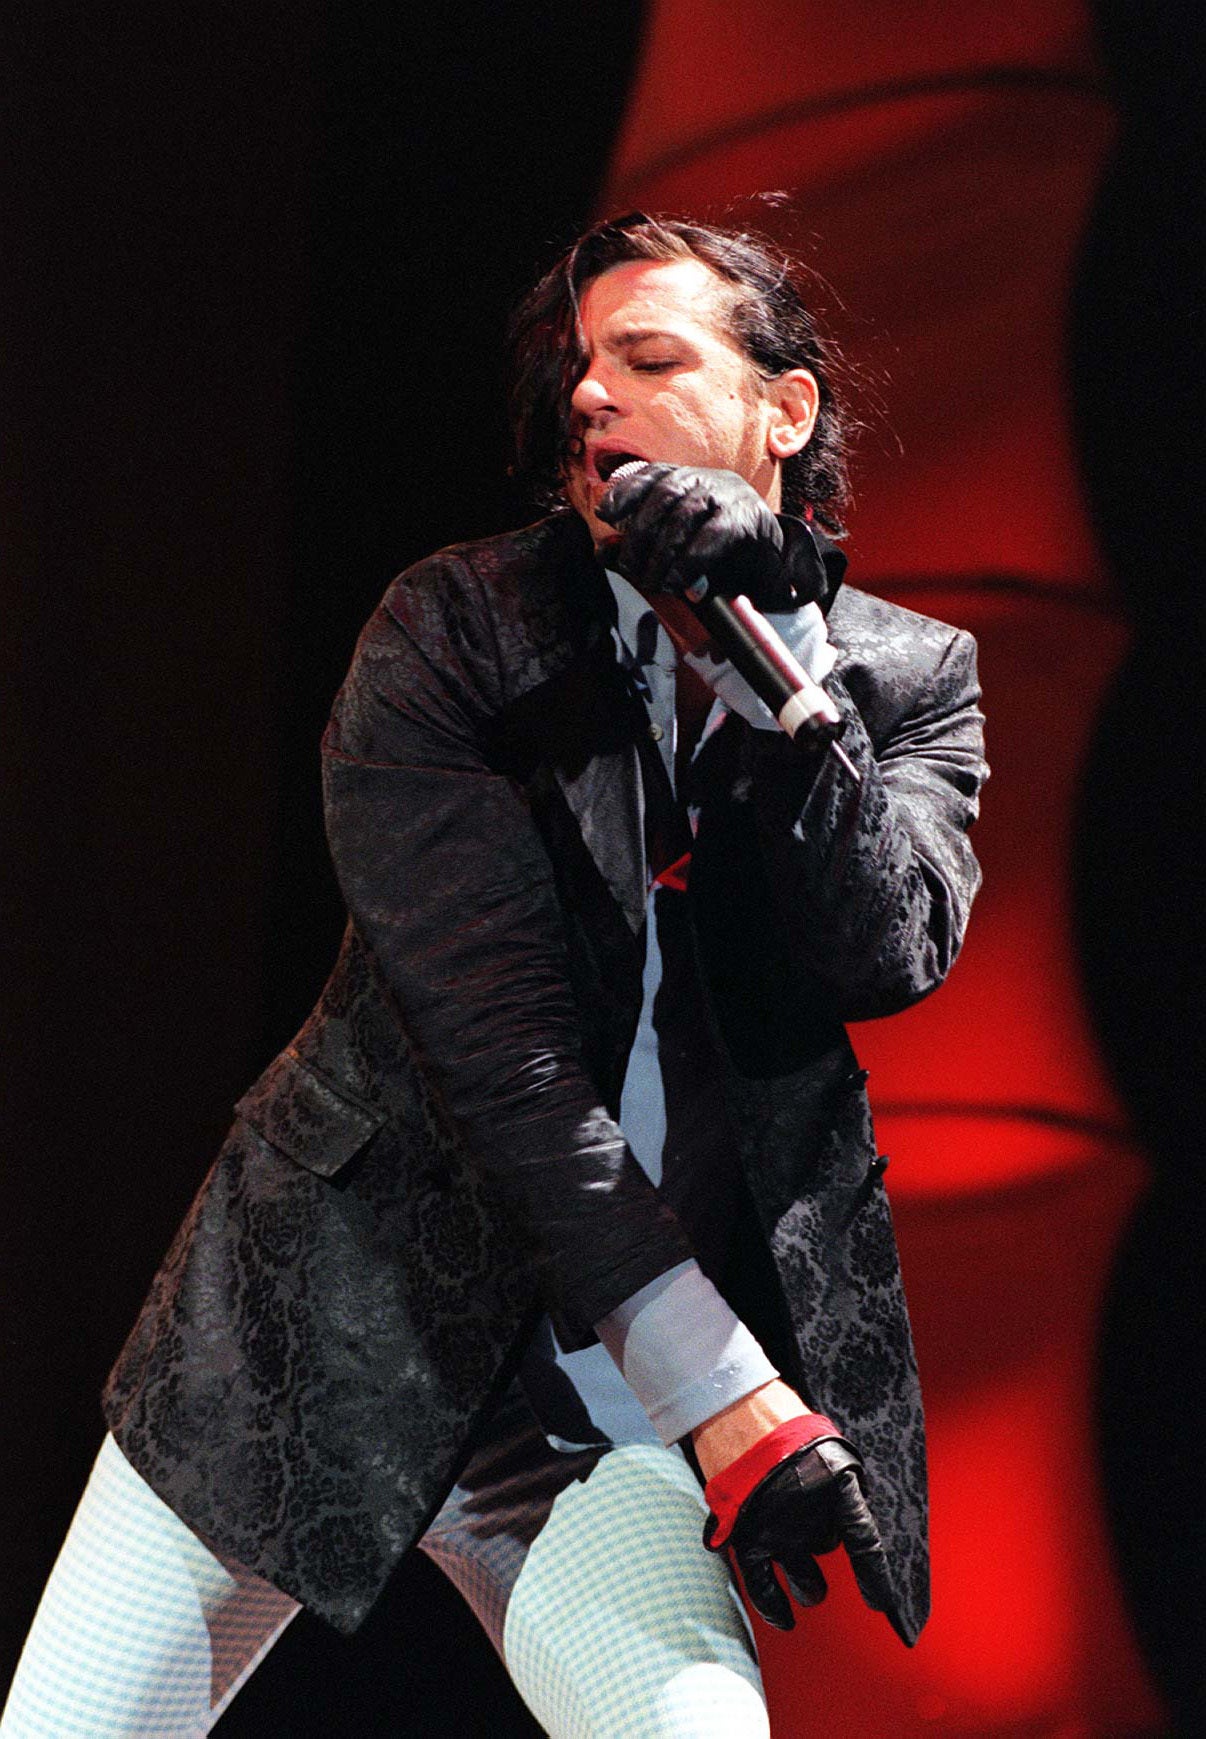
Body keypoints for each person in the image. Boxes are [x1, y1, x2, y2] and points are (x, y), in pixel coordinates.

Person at [2, 212, 986, 1737]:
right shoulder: (454, 630)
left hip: (597, 1402)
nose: (591, 394)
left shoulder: (905, 678)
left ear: (779, 410)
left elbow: (884, 952)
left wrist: (773, 667)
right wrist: (730, 1397)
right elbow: (502, 1060)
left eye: (648, 360)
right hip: (331, 1323)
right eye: (579, 367)